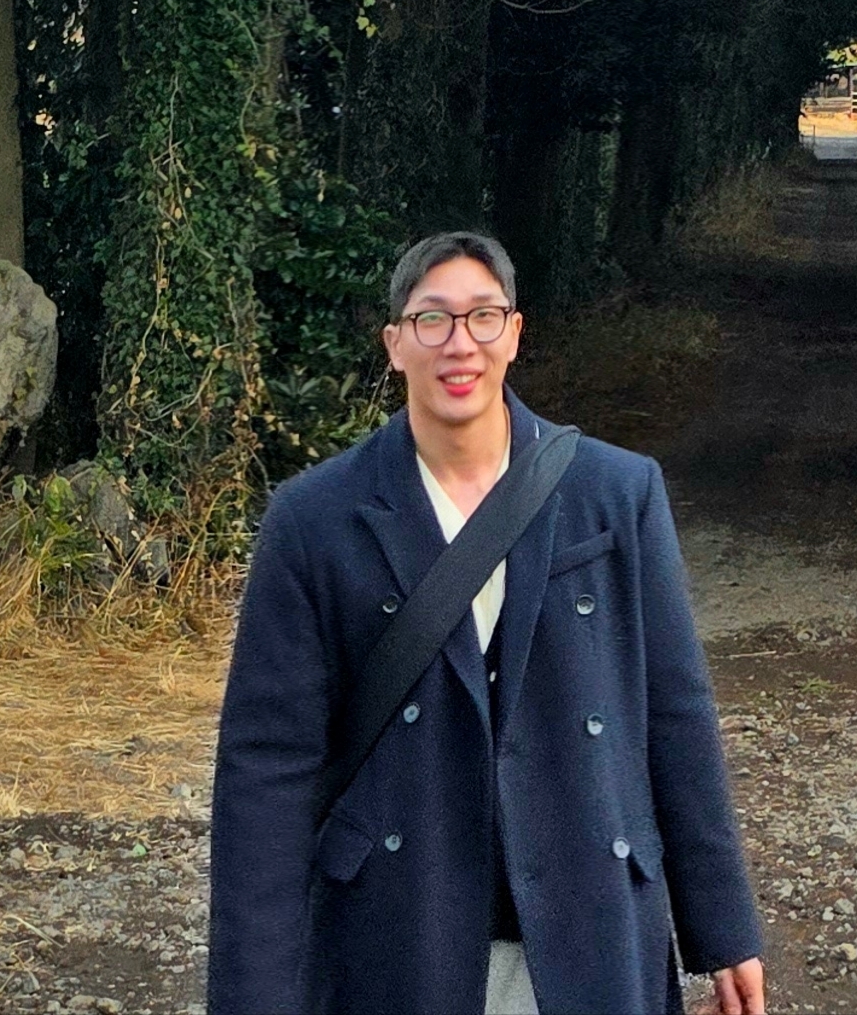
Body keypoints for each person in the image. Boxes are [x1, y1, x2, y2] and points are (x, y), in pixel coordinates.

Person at [208, 227, 769, 1015]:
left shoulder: (617, 493)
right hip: (396, 932)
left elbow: (674, 714)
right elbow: (267, 769)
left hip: (591, 917)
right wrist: (252, 994)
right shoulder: (314, 520)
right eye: (431, 319)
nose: (458, 344)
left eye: (482, 317)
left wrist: (723, 928)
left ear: (514, 333)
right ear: (395, 344)